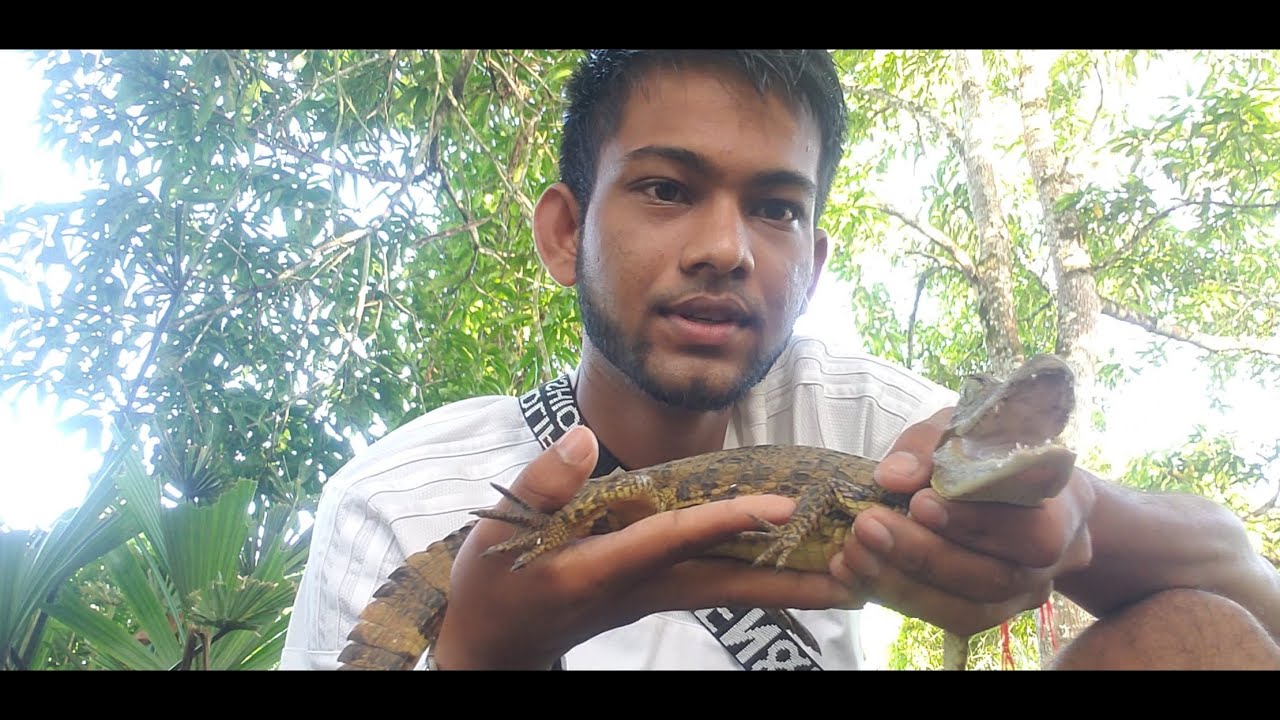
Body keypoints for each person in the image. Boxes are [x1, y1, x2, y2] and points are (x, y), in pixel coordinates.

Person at [279, 49, 1280, 671]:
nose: (726, 248)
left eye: (776, 208)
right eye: (666, 189)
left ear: (812, 266)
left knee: (1192, 632)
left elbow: (1245, 589)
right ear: (561, 232)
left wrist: (1077, 524)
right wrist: (484, 661)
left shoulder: (884, 426)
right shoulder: (393, 496)